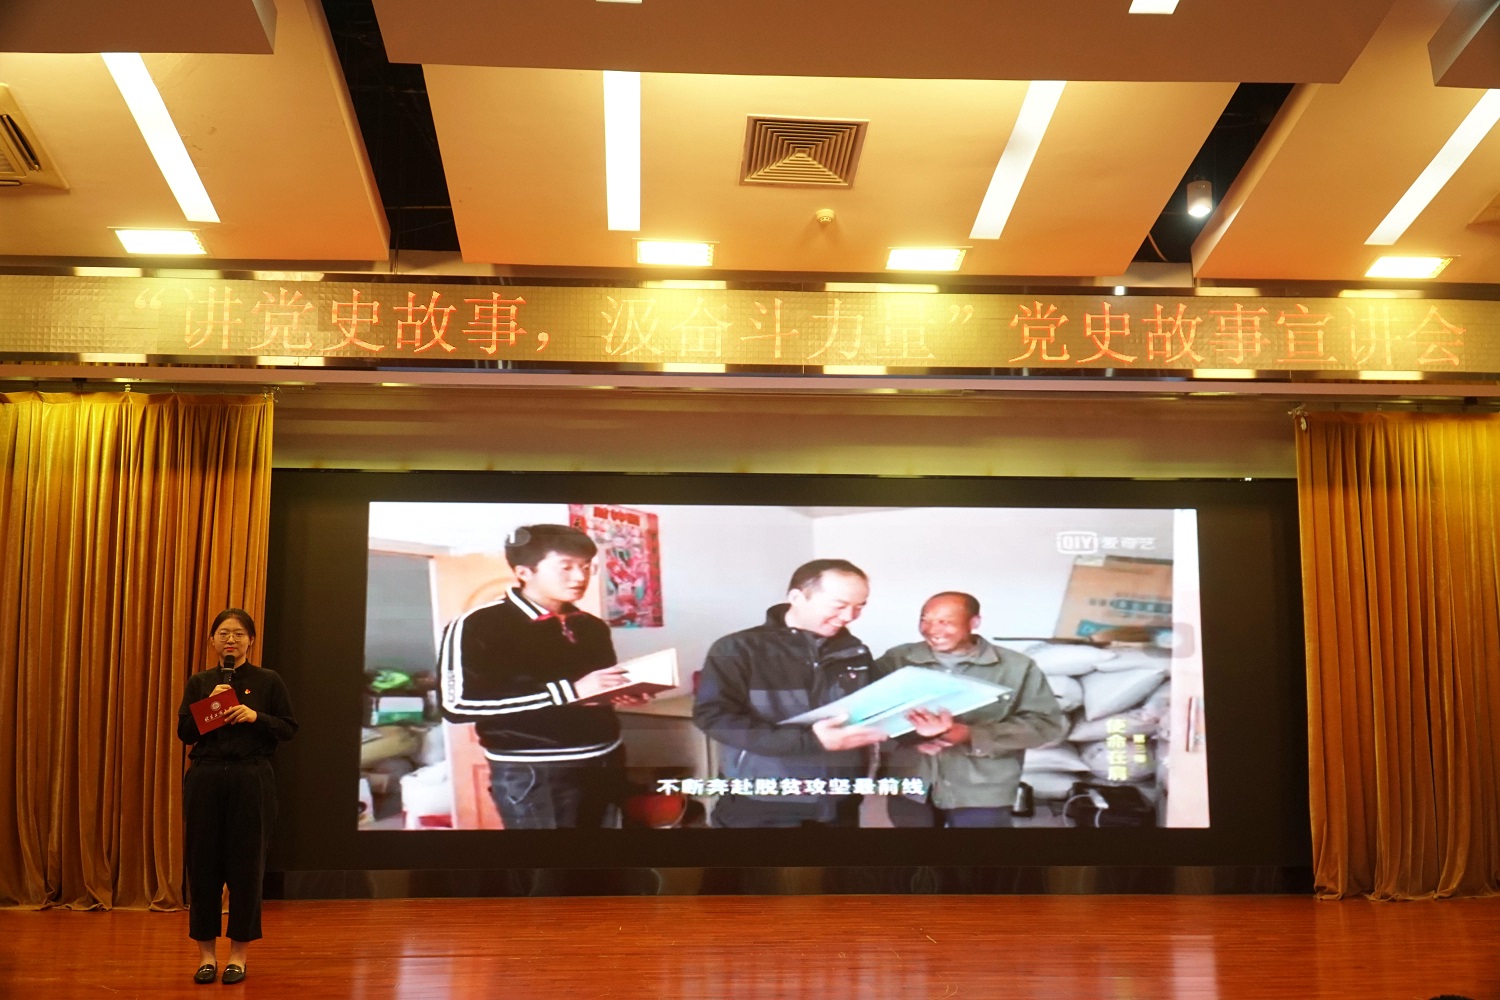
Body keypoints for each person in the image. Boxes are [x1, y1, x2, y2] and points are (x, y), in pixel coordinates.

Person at [438, 523, 638, 829]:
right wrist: (570, 691)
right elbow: (457, 705)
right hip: (536, 771)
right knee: (547, 859)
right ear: (524, 572)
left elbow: (592, 690)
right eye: (566, 567)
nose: (580, 577)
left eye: (586, 566)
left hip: (607, 757)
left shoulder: (591, 626)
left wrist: (619, 692)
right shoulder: (477, 625)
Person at [693, 558, 886, 828]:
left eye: (859, 606)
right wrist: (810, 741)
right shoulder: (738, 648)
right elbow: (713, 717)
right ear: (797, 597)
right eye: (839, 605)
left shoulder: (854, 650)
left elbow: (879, 707)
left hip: (841, 796)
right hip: (763, 797)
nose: (849, 617)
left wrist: (921, 732)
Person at [176, 608, 298, 985]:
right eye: (224, 633)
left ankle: (238, 957)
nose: (231, 640)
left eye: (239, 634)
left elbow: (289, 728)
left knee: (247, 869)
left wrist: (255, 716)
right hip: (207, 777)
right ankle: (206, 957)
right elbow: (185, 733)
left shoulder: (268, 680)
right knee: (203, 867)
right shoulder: (201, 682)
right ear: (212, 641)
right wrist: (210, 707)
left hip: (251, 778)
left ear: (251, 641)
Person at [875, 591, 1066, 828]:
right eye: (925, 620)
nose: (932, 629)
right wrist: (908, 737)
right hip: (910, 781)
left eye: (945, 621)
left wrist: (970, 735)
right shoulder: (898, 659)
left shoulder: (1016, 667)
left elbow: (1045, 725)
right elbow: (869, 711)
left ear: (974, 622)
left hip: (981, 791)